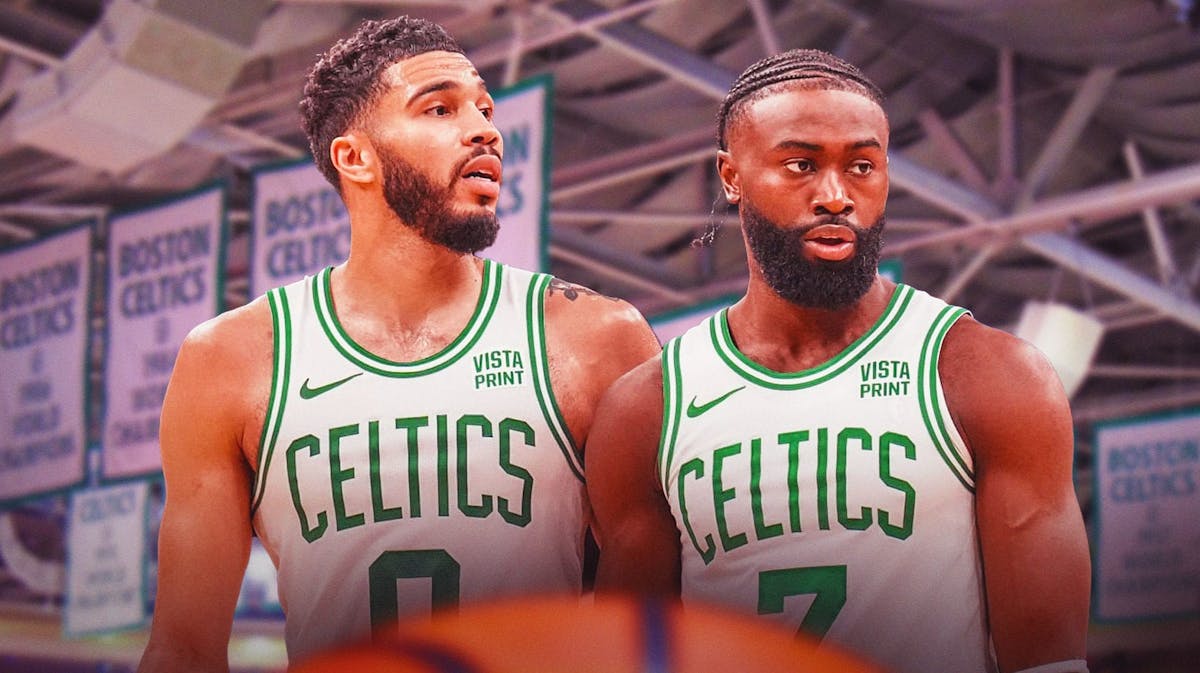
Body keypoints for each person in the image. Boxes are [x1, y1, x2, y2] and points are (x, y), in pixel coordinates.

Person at [137, 16, 660, 672]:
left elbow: (655, 623)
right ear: (355, 157)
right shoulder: (231, 358)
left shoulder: (596, 338)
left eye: (485, 108)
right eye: (440, 108)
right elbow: (183, 646)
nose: (484, 129)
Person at [585, 49, 1091, 673]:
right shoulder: (647, 408)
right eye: (801, 164)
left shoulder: (985, 374)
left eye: (861, 166)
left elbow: (1048, 663)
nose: (835, 196)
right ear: (731, 175)